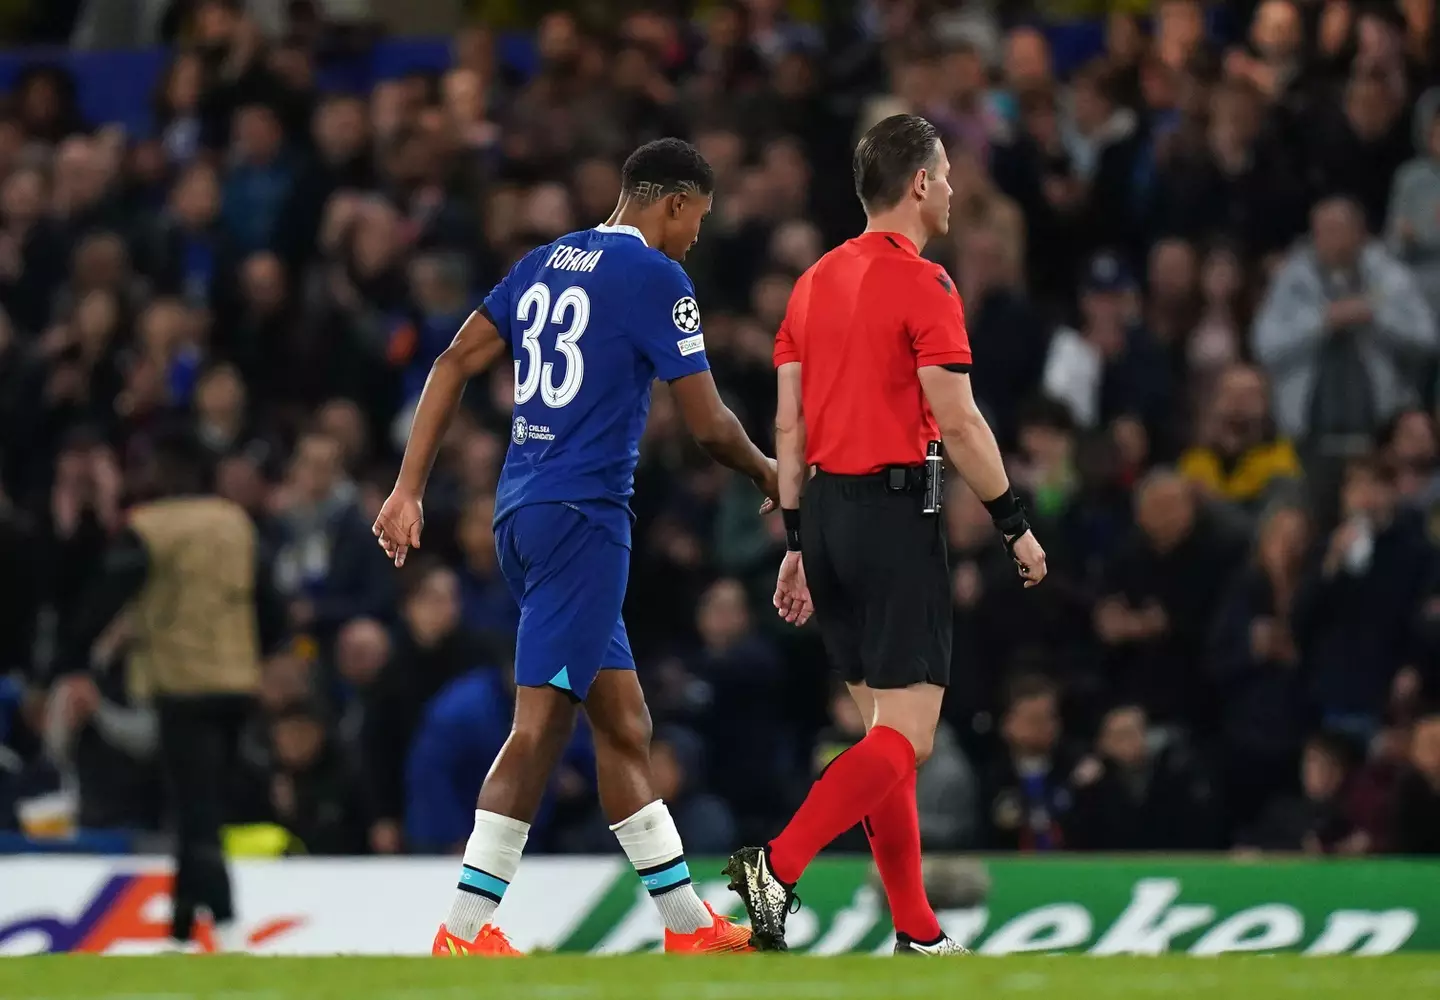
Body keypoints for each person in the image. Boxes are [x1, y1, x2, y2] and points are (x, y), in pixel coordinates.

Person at [372, 138, 777, 957]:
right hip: (584, 520)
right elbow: (707, 425)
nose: (696, 235)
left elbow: (451, 363)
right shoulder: (660, 279)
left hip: (523, 514)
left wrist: (407, 485)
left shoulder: (547, 261)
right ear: (671, 202)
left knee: (625, 723)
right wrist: (773, 474)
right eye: (696, 218)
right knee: (540, 730)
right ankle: (462, 929)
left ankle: (688, 927)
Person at [724, 114, 1047, 956]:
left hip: (825, 518)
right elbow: (958, 417)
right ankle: (778, 864)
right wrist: (1012, 520)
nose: (950, 190)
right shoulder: (925, 284)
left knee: (883, 742)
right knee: (909, 738)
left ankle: (916, 930)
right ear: (918, 185)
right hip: (896, 515)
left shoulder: (810, 285)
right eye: (943, 176)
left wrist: (795, 540)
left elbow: (788, 426)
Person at [52, 430, 286, 951]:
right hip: (236, 683)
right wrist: (258, 653)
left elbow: (103, 597)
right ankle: (181, 931)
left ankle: (225, 924)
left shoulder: (150, 529)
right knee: (196, 803)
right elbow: (271, 604)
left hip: (183, 683)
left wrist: (71, 659)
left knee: (197, 809)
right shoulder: (235, 524)